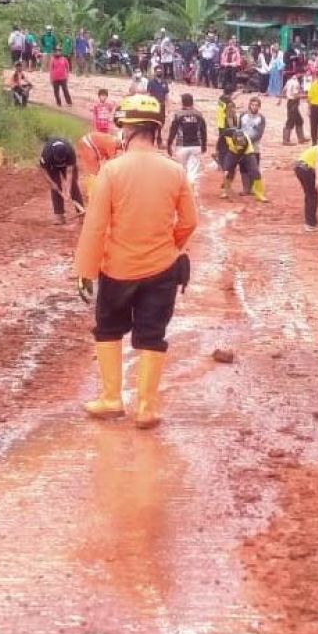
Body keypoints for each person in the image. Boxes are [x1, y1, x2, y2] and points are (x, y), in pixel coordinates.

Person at [75, 94, 198, 429]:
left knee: (108, 330)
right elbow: (189, 221)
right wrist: (168, 248)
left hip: (117, 269)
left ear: (126, 129)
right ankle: (146, 407)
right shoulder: (175, 171)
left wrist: (85, 271)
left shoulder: (110, 172)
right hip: (162, 269)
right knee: (152, 334)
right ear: (157, 130)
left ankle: (112, 399)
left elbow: (95, 226)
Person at [38, 137, 84, 225]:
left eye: (62, 159)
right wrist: (52, 183)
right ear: (54, 155)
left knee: (73, 186)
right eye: (59, 159)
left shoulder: (70, 152)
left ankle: (81, 213)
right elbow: (43, 170)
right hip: (52, 167)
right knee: (55, 187)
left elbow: (70, 172)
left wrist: (67, 189)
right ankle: (59, 215)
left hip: (67, 167)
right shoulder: (47, 154)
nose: (61, 161)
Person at [168, 92, 208, 189]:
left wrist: (169, 145)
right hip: (196, 145)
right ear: (192, 102)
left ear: (182, 102)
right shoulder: (199, 114)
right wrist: (204, 145)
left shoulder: (178, 115)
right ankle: (192, 190)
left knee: (182, 169)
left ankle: (183, 191)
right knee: (193, 170)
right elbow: (203, 131)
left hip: (181, 146)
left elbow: (173, 130)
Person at [219, 127, 267, 202]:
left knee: (255, 171)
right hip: (233, 153)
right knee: (228, 171)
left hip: (247, 153)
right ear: (233, 138)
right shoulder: (226, 135)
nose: (239, 145)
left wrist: (238, 160)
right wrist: (223, 163)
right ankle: (226, 191)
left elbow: (241, 152)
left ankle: (260, 194)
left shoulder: (246, 141)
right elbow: (220, 146)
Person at [76, 131, 122, 201]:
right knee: (92, 171)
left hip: (90, 145)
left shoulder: (113, 142)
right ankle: (91, 195)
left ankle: (95, 191)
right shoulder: (112, 144)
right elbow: (112, 163)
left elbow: (108, 158)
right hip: (87, 145)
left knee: (96, 170)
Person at [239, 96, 267, 166]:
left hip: (254, 147)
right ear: (249, 105)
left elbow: (259, 134)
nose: (254, 107)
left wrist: (247, 140)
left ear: (259, 107)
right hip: (242, 146)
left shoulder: (261, 118)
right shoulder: (243, 115)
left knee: (255, 170)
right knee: (243, 170)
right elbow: (238, 128)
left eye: (256, 105)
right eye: (252, 105)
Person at [281, 72, 306, 145]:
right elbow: (295, 96)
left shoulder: (289, 81)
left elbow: (283, 90)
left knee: (299, 120)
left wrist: (280, 99)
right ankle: (286, 140)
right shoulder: (296, 83)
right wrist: (306, 96)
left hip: (290, 102)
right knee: (290, 121)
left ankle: (301, 138)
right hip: (293, 102)